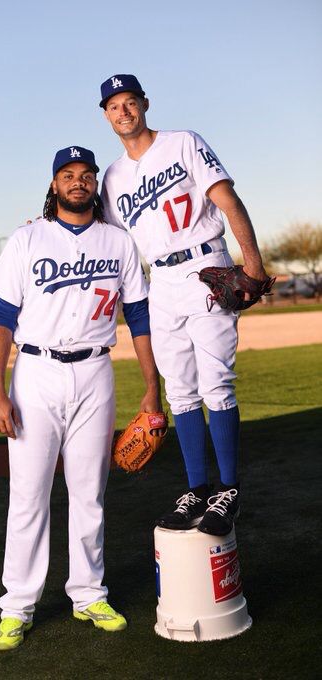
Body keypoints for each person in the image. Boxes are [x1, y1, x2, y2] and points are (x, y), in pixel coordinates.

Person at [0, 145, 162, 651]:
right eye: (68, 174)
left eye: (86, 175)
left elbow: (140, 318)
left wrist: (152, 385)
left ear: (94, 184)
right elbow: (1, 318)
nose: (78, 182)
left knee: (90, 494)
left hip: (95, 373)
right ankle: (17, 605)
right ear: (55, 184)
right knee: (29, 496)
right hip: (36, 372)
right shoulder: (27, 238)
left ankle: (88, 594)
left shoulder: (118, 242)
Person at [99, 74, 272, 537]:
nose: (124, 111)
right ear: (106, 115)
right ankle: (197, 489)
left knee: (216, 384)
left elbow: (227, 200)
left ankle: (228, 490)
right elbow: (102, 235)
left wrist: (252, 265)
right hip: (162, 281)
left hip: (205, 268)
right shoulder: (113, 179)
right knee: (180, 392)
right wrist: (47, 222)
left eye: (130, 102)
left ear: (145, 104)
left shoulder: (183, 143)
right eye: (114, 106)